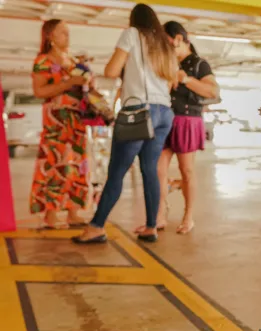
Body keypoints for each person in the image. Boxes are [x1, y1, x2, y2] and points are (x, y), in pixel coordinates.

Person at [73, 3, 177, 244]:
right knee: (149, 170)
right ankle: (151, 226)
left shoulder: (131, 34)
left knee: (117, 172)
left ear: (134, 20)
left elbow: (111, 70)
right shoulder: (165, 44)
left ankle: (96, 227)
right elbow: (171, 81)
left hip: (139, 112)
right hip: (164, 112)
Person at [157, 21, 219, 234]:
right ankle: (160, 212)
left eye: (165, 40)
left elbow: (212, 92)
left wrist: (186, 79)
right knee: (158, 170)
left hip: (187, 120)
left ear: (178, 39)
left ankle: (188, 215)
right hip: (163, 118)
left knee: (187, 170)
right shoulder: (165, 62)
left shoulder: (198, 64)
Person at [30, 19, 90, 229]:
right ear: (50, 36)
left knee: (75, 164)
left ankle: (73, 211)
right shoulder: (43, 61)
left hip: (77, 119)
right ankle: (51, 214)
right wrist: (67, 83)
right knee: (54, 164)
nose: (68, 36)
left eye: (68, 31)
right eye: (63, 32)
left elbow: (81, 87)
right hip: (56, 120)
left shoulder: (73, 61)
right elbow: (39, 91)